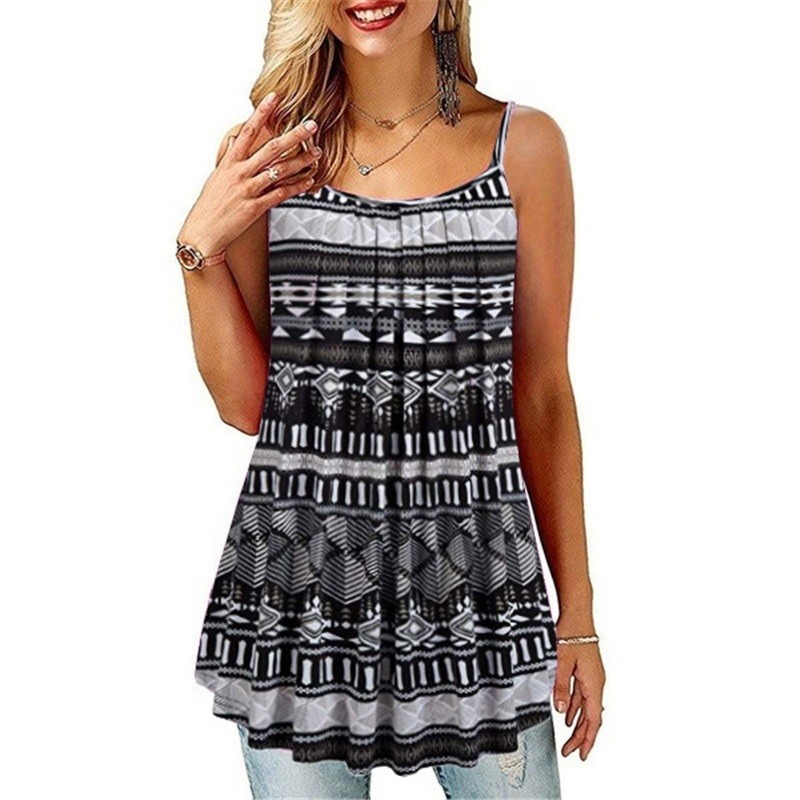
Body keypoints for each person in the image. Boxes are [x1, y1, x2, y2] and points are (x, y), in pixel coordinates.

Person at [177, 1, 605, 797]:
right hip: (300, 602)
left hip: (482, 601)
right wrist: (198, 251)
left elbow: (542, 393)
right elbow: (250, 406)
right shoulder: (273, 156)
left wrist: (575, 615)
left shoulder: (523, 147)